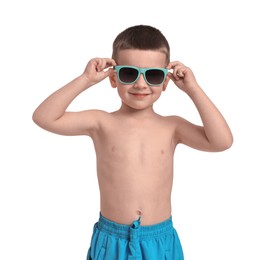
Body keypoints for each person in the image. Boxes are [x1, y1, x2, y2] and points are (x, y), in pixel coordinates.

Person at [33, 25, 233, 260]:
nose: (140, 84)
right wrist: (86, 79)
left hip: (160, 240)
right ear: (113, 78)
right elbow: (44, 117)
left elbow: (222, 141)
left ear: (166, 82)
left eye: (153, 75)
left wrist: (193, 89)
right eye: (129, 73)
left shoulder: (172, 127)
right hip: (112, 239)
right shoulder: (101, 122)